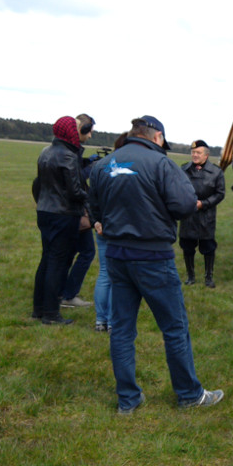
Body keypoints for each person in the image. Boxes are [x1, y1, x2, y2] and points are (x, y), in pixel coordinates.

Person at [89, 116, 224, 413]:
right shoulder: (161, 164)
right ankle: (189, 394)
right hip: (153, 258)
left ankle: (128, 399)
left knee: (122, 329)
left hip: (116, 256)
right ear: (157, 137)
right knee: (175, 327)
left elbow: (94, 207)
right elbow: (185, 205)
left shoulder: (103, 165)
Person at [32, 115, 93, 325]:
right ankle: (51, 314)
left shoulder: (45, 152)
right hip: (64, 214)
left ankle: (38, 309)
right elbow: (75, 191)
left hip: (44, 211)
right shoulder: (68, 155)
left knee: (46, 259)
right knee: (58, 263)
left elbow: (39, 183)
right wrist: (92, 198)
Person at [92, 132, 128, 333]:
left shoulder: (99, 166)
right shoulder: (126, 169)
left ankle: (101, 321)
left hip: (102, 227)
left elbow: (92, 197)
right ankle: (114, 321)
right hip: (118, 228)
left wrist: (97, 220)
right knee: (117, 277)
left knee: (105, 273)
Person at [60, 114, 97, 309]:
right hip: (73, 211)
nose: (90, 135)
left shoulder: (69, 149)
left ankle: (61, 291)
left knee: (70, 252)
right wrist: (89, 169)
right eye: (88, 130)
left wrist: (85, 162)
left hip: (67, 211)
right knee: (87, 252)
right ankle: (68, 294)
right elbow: (71, 180)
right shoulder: (69, 150)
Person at [179, 140, 226, 288]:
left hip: (206, 217)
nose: (195, 155)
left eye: (198, 153)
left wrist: (203, 204)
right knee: (187, 247)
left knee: (208, 247)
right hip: (188, 216)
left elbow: (220, 194)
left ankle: (208, 277)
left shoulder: (216, 172)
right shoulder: (183, 169)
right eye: (193, 152)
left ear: (206, 155)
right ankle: (190, 277)